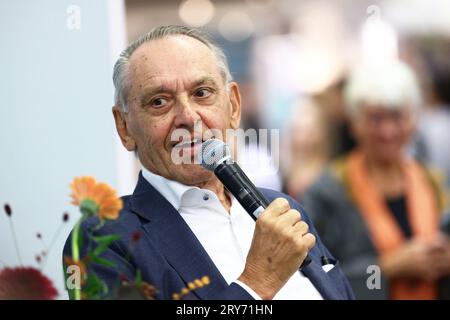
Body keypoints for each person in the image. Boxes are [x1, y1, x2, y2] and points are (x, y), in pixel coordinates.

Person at [63, 25, 353, 300]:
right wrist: (256, 283)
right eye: (159, 102)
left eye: (202, 93)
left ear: (234, 107)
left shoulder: (283, 208)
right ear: (125, 127)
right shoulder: (104, 239)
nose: (188, 117)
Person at [301, 60, 450, 299]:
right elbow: (314, 276)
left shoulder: (433, 180)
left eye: (397, 117)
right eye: (376, 119)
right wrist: (386, 268)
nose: (387, 131)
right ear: (354, 123)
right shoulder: (327, 192)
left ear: (413, 120)